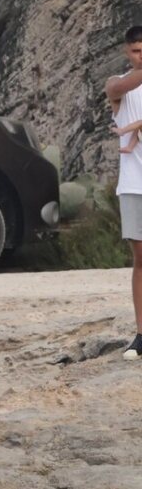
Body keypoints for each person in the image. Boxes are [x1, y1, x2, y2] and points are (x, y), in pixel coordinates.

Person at [106, 25, 142, 359]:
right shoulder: (117, 84)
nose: (141, 56)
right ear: (126, 52)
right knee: (140, 259)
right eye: (137, 51)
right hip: (134, 185)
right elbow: (124, 86)